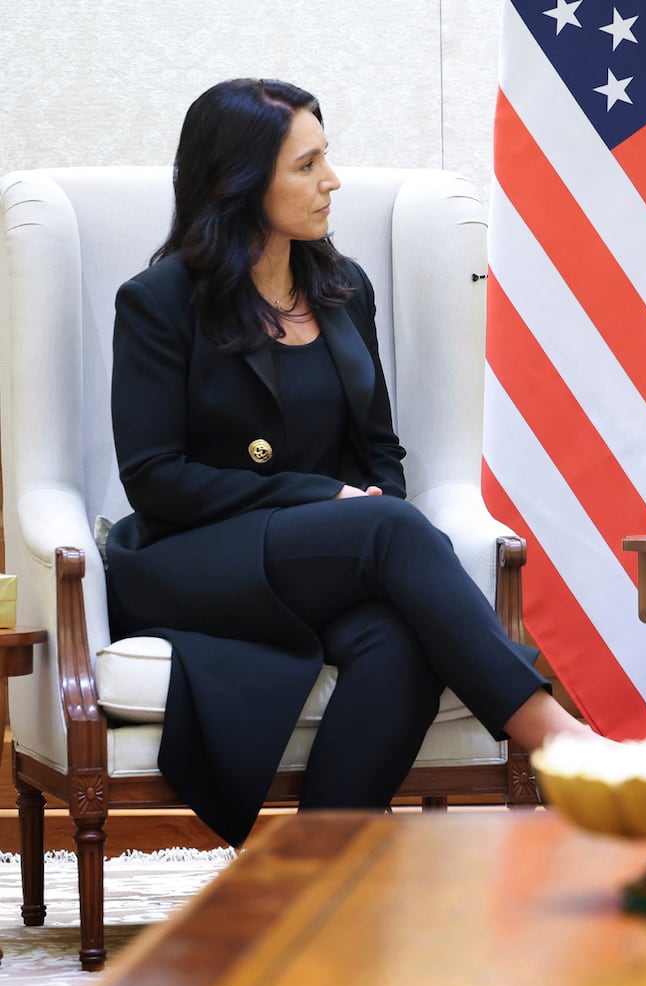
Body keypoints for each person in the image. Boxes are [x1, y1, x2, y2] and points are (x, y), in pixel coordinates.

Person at [107, 78, 595, 847]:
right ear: (237, 182)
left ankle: (320, 870)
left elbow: (380, 450)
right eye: (306, 166)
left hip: (324, 558)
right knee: (387, 530)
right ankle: (554, 733)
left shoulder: (341, 287)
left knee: (400, 641)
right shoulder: (159, 300)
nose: (330, 181)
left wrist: (366, 505)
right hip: (190, 560)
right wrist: (329, 500)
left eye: (325, 158)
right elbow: (154, 478)